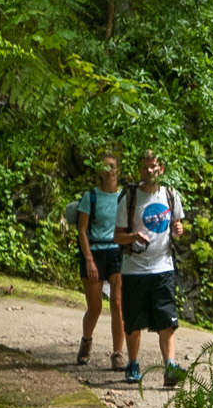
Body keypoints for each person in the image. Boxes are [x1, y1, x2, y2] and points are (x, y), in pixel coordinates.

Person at [115, 150, 187, 388]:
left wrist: (178, 231)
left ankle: (170, 367)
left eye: (153, 167)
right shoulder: (130, 197)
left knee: (167, 320)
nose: (148, 171)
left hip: (163, 268)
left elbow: (178, 226)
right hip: (134, 269)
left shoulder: (171, 195)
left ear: (161, 169)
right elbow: (117, 237)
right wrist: (133, 236)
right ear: (140, 169)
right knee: (133, 321)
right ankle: (133, 363)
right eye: (145, 167)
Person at [64, 149, 125, 365]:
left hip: (117, 252)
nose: (108, 171)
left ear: (118, 169)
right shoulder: (90, 197)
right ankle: (87, 341)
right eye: (105, 166)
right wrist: (89, 259)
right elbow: (82, 229)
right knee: (96, 306)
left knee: (117, 305)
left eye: (112, 166)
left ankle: (118, 353)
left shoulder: (124, 197)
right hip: (95, 251)